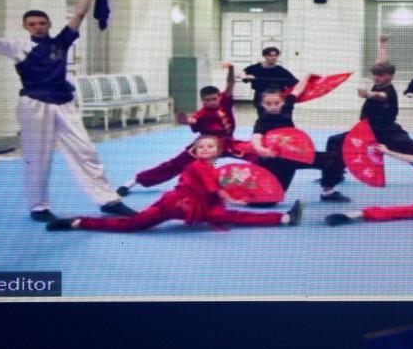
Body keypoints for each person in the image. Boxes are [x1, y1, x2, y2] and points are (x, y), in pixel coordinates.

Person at [0, 0, 135, 222]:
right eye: (32, 24)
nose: (37, 27)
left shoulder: (61, 42)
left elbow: (79, 13)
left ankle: (108, 200)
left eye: (42, 23)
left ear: (48, 24)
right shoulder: (17, 46)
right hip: (34, 104)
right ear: (26, 27)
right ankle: (38, 207)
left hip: (64, 102)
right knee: (37, 156)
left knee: (85, 151)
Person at [46, 135, 302, 232]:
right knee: (133, 225)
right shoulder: (196, 166)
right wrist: (232, 197)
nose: (204, 149)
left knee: (233, 217)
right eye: (200, 147)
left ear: (218, 151)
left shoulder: (212, 166)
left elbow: (215, 187)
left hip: (202, 205)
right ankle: (79, 222)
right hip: (175, 205)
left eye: (210, 147)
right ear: (194, 151)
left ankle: (283, 219)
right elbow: (214, 187)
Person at [321, 35, 413, 202]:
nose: (376, 77)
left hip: (386, 133)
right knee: (334, 141)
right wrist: (382, 44)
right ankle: (330, 183)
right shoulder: (380, 82)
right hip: (367, 131)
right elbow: (382, 61)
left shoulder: (387, 91)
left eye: (380, 75)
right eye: (375, 74)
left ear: (389, 76)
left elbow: (380, 96)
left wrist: (368, 94)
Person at [117, 63, 253, 196]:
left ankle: (267, 178)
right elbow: (192, 120)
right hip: (207, 145)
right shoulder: (201, 113)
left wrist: (231, 68)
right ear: (203, 101)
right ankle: (135, 180)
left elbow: (230, 83)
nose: (212, 102)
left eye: (214, 99)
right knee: (175, 165)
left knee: (256, 152)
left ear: (219, 97)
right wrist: (184, 120)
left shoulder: (224, 100)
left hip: (228, 143)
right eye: (208, 100)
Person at [251, 85, 339, 200]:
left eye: (277, 103)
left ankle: (327, 191)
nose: (273, 107)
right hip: (278, 161)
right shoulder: (263, 120)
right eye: (268, 104)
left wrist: (308, 77)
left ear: (283, 102)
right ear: (262, 104)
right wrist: (260, 149)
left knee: (333, 160)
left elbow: (297, 90)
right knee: (271, 198)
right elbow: (256, 137)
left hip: (298, 155)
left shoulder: (287, 108)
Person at [242, 47, 297, 117]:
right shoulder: (255, 68)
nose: (274, 58)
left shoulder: (281, 70)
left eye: (276, 55)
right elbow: (243, 74)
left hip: (277, 98)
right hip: (261, 98)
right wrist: (245, 76)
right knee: (263, 118)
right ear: (264, 56)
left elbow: (294, 82)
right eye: (271, 55)